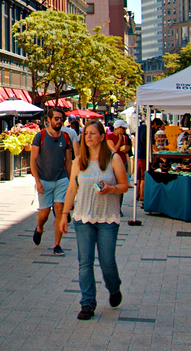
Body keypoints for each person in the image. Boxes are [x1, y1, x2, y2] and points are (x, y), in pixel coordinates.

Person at [58, 120, 130, 320]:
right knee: (85, 262)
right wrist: (64, 215)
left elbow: (125, 185)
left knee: (107, 261)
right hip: (83, 216)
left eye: (92, 133)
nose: (88, 137)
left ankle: (114, 288)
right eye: (86, 133)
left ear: (101, 136)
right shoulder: (79, 161)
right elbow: (72, 189)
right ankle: (87, 303)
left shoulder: (113, 159)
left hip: (107, 217)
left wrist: (111, 189)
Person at [30, 108, 74, 256]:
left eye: (61, 118)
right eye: (56, 118)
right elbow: (33, 160)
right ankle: (40, 228)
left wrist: (72, 180)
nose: (59, 121)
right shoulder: (40, 136)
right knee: (45, 213)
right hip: (44, 179)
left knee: (59, 209)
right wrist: (37, 181)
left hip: (61, 179)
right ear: (49, 119)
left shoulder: (66, 137)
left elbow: (68, 161)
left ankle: (57, 245)